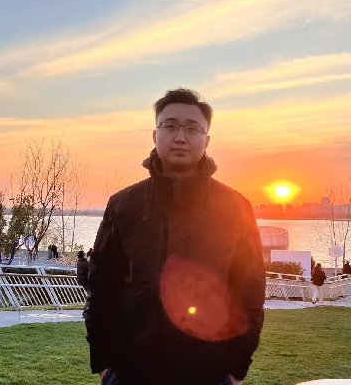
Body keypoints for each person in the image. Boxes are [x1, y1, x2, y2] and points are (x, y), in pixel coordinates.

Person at [84, 89, 265, 385]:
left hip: (210, 373)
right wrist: (104, 363)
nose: (180, 137)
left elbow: (250, 292)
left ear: (206, 140)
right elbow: (102, 286)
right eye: (170, 126)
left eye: (192, 128)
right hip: (130, 371)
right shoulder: (124, 205)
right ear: (155, 135)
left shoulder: (235, 208)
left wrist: (236, 369)